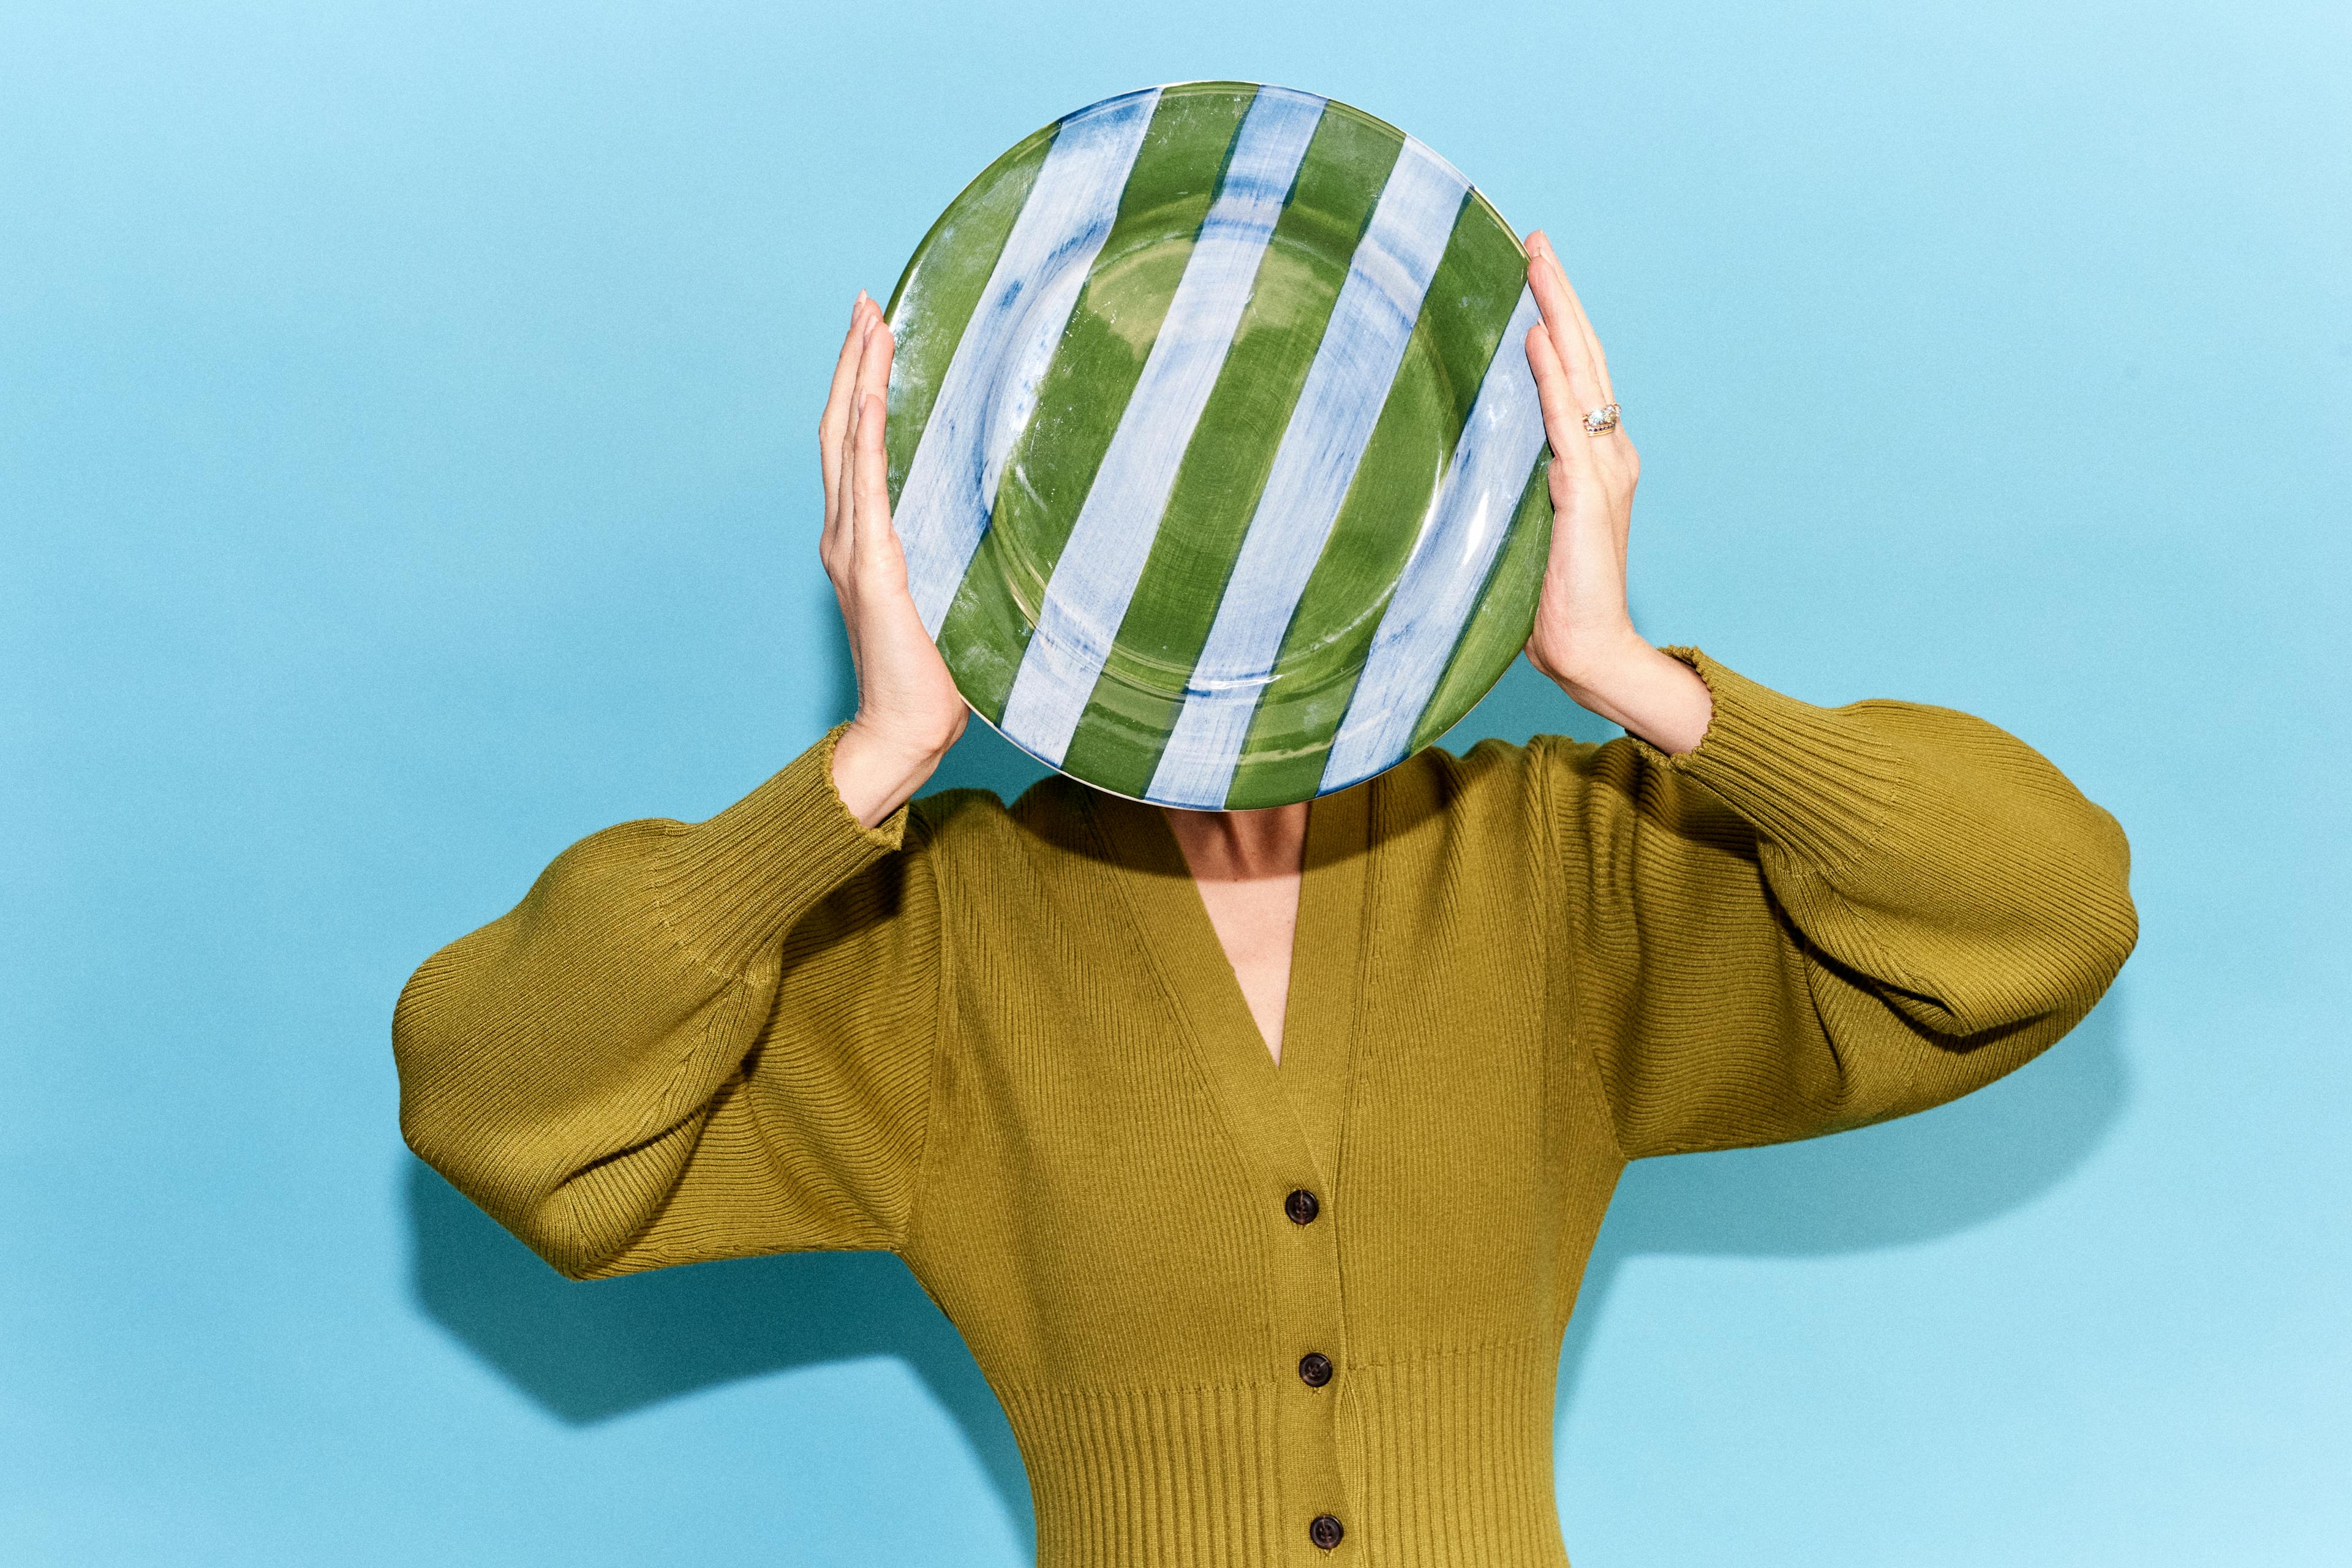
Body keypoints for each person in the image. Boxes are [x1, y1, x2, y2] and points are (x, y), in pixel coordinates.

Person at [393, 231, 2136, 1566]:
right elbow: (494, 1104)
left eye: (1293, 483)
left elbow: (2050, 913)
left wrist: (1632, 673)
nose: (1229, 558)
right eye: (1154, 497)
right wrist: (867, 765)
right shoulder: (931, 945)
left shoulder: (1562, 866)